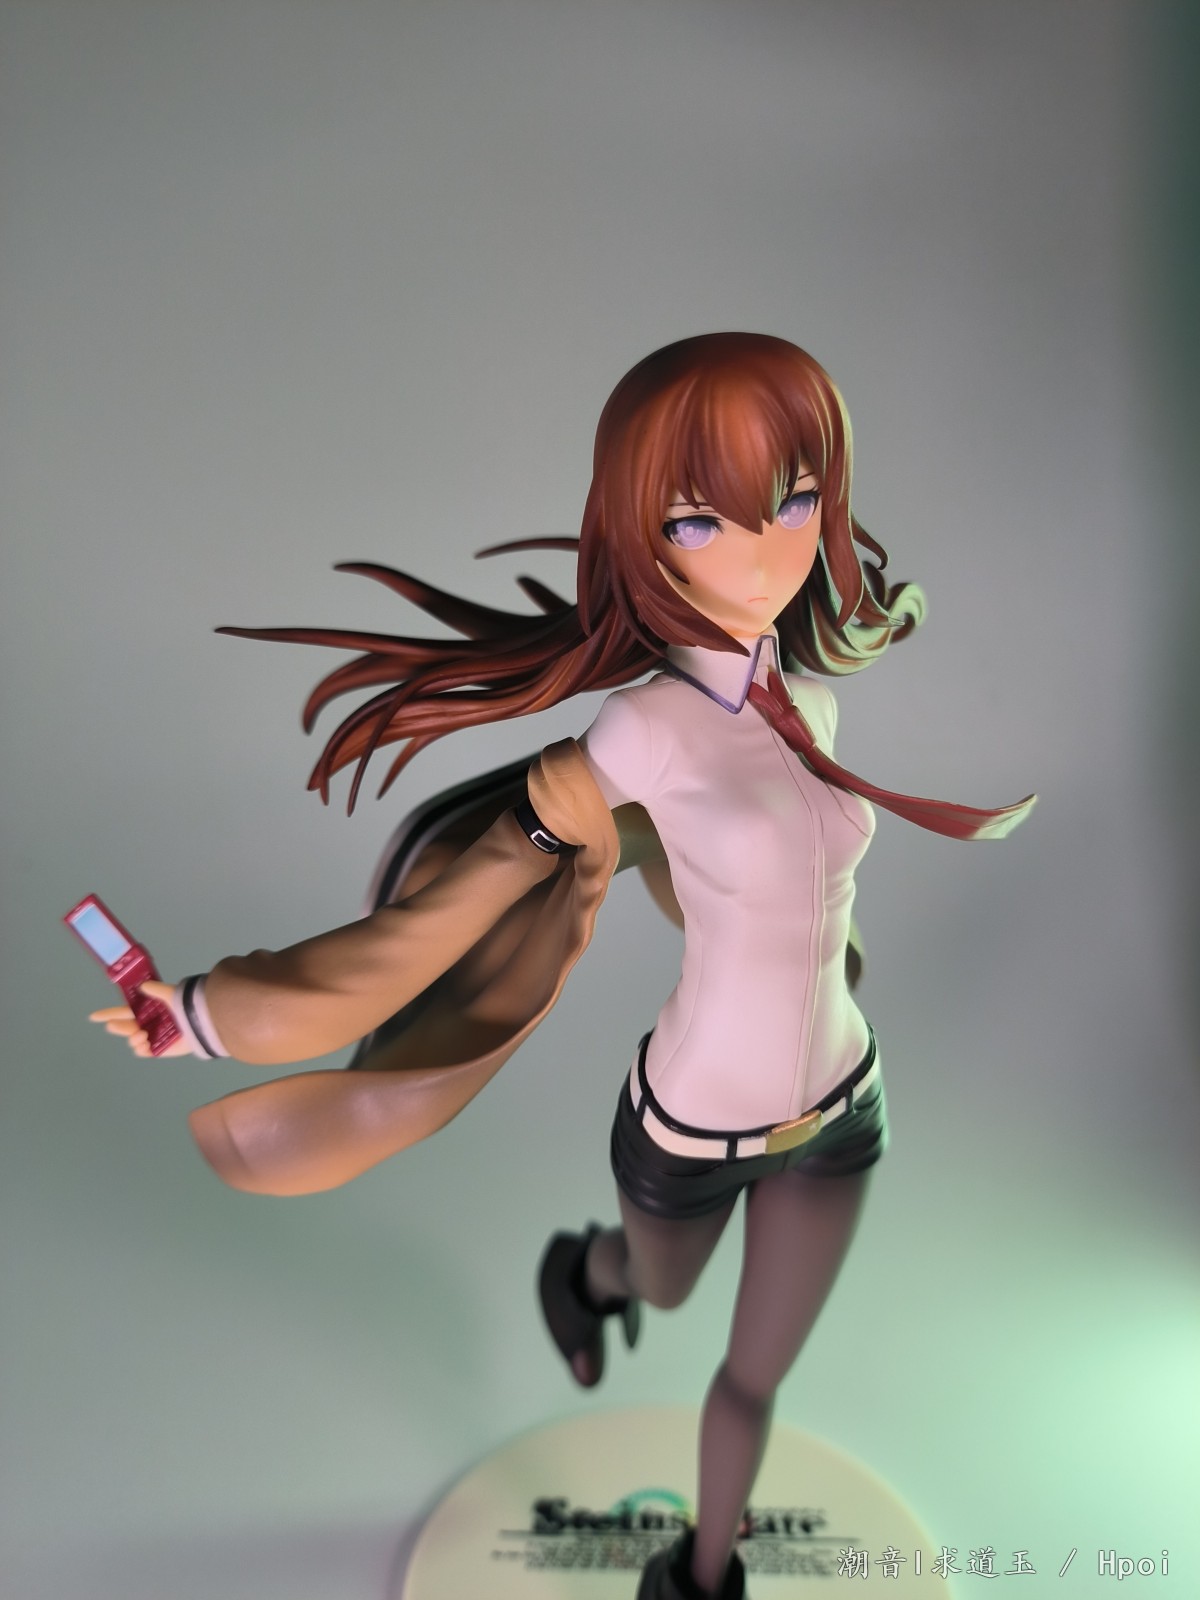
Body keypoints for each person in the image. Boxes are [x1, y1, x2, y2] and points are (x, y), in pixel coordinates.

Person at [92, 333, 1034, 1600]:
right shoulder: (641, 732)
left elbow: (810, 897)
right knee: (662, 1287)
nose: (764, 553)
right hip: (692, 1124)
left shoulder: (812, 704)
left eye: (795, 500)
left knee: (752, 1375)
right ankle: (585, 1272)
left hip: (843, 1106)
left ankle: (698, 1577)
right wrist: (209, 1013)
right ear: (645, 540)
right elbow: (455, 908)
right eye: (701, 522)